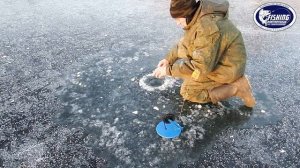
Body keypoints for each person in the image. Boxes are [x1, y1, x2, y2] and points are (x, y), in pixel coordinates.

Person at [153, 0, 256, 107]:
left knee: (189, 92)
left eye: (179, 19)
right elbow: (186, 44)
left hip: (228, 68)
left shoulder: (206, 29)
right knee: (187, 74)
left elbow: (201, 68)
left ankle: (237, 88)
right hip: (217, 60)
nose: (177, 23)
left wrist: (168, 70)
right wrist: (168, 59)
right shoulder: (198, 16)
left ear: (187, 14)